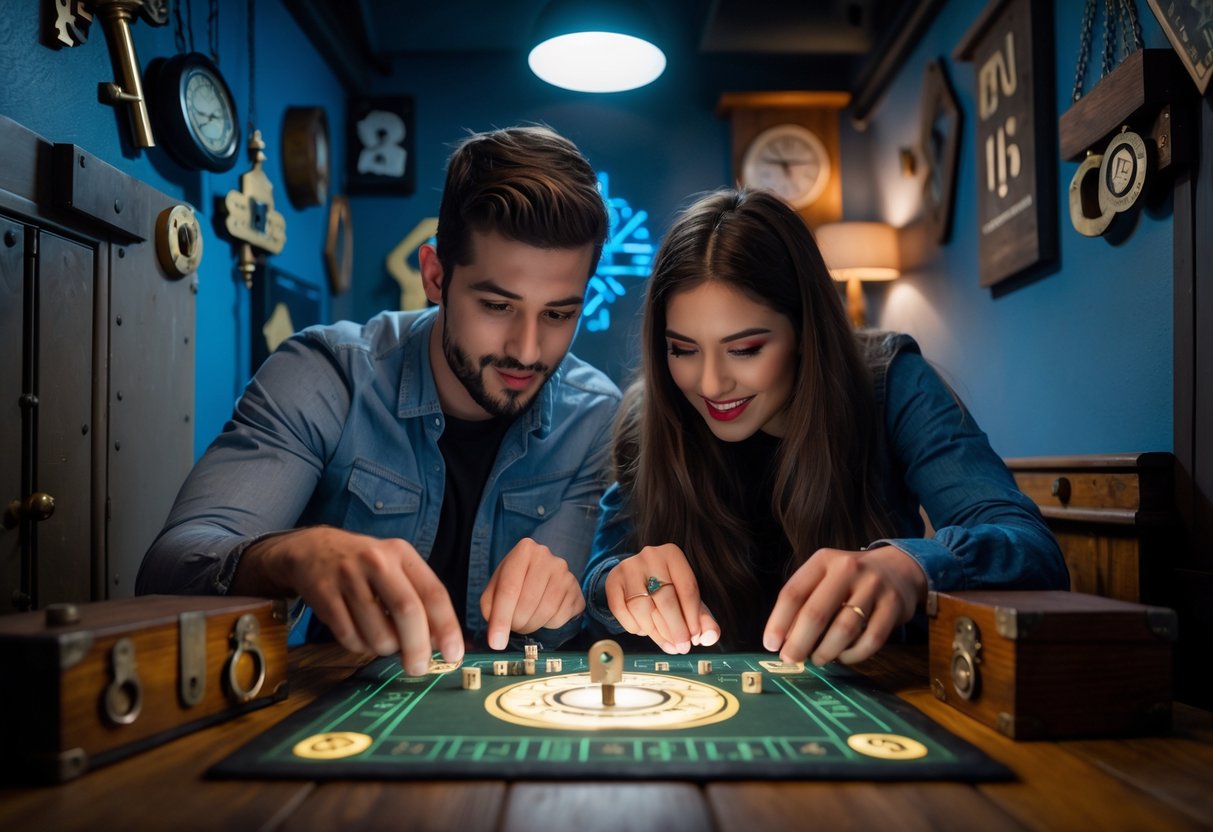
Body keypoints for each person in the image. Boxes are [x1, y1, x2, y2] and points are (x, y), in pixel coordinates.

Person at [138, 126, 621, 676]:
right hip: (336, 717)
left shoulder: (596, 417)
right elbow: (169, 568)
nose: (528, 350)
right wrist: (293, 554)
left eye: (559, 314)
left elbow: (562, 623)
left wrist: (569, 596)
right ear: (435, 276)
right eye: (497, 306)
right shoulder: (326, 374)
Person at [582, 188, 1068, 666]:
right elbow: (601, 584)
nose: (710, 383)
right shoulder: (651, 411)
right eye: (683, 350)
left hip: (884, 696)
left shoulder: (892, 384)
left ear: (803, 332)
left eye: (746, 349)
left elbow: (1034, 552)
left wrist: (910, 566)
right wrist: (616, 586)